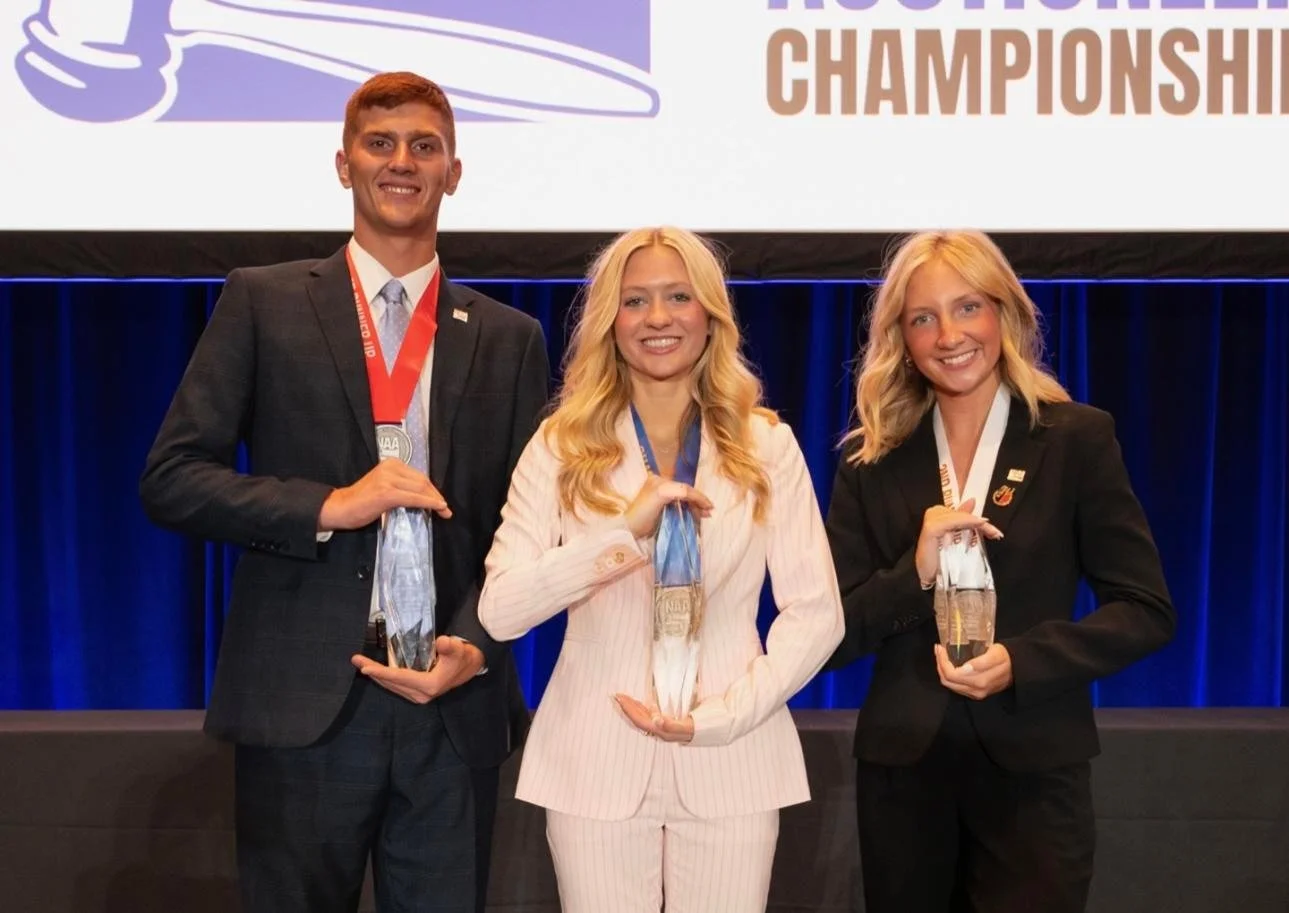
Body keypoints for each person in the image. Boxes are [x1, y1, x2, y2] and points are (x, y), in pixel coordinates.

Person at [139, 71, 550, 913]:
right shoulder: (264, 301)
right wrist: (328, 506)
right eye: (380, 143)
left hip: (451, 701)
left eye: (424, 147)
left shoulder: (510, 337)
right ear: (344, 164)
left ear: (453, 173)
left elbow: (531, 523)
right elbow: (173, 480)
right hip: (305, 707)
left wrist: (475, 641)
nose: (402, 162)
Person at [476, 226, 843, 912]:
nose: (658, 318)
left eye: (678, 297)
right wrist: (621, 535)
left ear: (710, 314)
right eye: (635, 300)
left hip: (732, 752)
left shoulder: (766, 443)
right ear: (609, 321)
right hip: (594, 760)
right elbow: (501, 608)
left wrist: (726, 715)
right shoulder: (560, 444)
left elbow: (816, 612)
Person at [824, 229, 1176, 913]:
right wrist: (915, 571)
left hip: (1034, 769)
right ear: (900, 336)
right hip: (904, 776)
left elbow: (1143, 608)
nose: (948, 334)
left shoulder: (1075, 437)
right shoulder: (870, 461)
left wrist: (1020, 659)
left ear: (1003, 314)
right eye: (922, 317)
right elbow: (830, 632)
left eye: (966, 307)